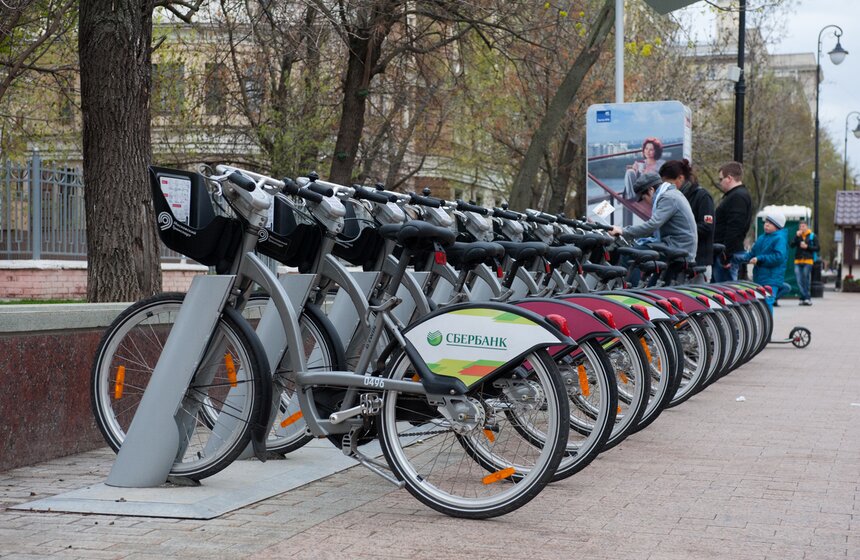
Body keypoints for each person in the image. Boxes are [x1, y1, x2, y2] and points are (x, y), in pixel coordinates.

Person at [610, 172, 697, 266]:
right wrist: (629, 232)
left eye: (644, 198)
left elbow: (652, 225)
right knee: (637, 250)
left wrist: (623, 231)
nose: (645, 202)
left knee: (628, 254)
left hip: (678, 247)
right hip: (677, 245)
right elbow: (653, 228)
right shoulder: (671, 194)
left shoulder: (668, 198)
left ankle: (628, 281)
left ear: (651, 190)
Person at [659, 159, 715, 272]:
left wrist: (682, 229)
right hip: (679, 259)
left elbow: (707, 227)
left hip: (699, 260)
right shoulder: (674, 198)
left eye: (669, 183)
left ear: (681, 178)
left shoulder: (702, 196)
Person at [735, 209, 790, 313]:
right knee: (760, 304)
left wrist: (759, 259)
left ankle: (768, 327)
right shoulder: (762, 237)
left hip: (772, 277)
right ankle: (763, 325)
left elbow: (779, 257)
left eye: (770, 223)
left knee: (767, 303)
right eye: (766, 222)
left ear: (777, 226)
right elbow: (752, 254)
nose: (766, 225)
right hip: (760, 277)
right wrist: (737, 258)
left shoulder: (780, 239)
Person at [712, 161, 753, 282]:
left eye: (721, 179)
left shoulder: (737, 196)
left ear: (729, 178)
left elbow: (735, 227)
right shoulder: (737, 195)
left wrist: (726, 255)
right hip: (727, 252)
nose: (720, 183)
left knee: (724, 293)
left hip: (727, 253)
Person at [623, 137, 665, 227]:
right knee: (629, 172)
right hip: (638, 192)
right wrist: (634, 170)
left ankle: (635, 197)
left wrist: (645, 173)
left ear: (656, 151)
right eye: (646, 149)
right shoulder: (640, 163)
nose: (648, 151)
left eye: (651, 149)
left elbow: (659, 180)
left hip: (651, 191)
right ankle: (632, 197)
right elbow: (633, 179)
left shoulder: (660, 165)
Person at [790, 219, 819, 306]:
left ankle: (806, 298)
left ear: (807, 227)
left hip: (808, 260)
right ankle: (805, 297)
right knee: (799, 280)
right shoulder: (798, 236)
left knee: (806, 279)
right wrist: (795, 236)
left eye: (803, 226)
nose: (802, 228)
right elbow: (791, 245)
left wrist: (807, 246)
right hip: (798, 260)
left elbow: (817, 248)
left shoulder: (812, 236)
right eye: (800, 226)